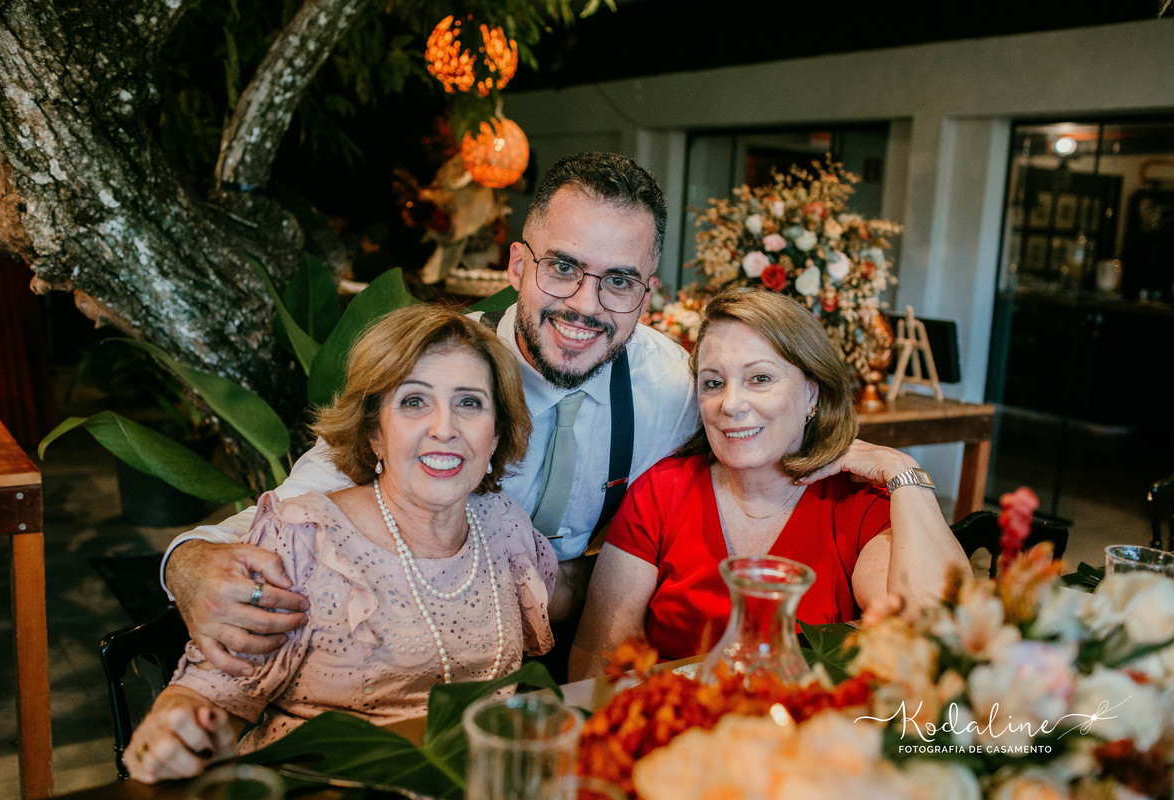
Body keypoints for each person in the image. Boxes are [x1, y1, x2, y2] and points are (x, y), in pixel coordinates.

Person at [160, 152, 699, 677]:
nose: (585, 304)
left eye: (619, 281)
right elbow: (305, 502)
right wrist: (189, 562)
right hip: (421, 654)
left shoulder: (673, 390)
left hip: (578, 648)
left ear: (647, 294)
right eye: (562, 267)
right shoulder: (432, 364)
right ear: (516, 265)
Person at [123, 305, 559, 782]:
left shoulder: (504, 527)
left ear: (495, 433)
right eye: (414, 401)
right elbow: (212, 692)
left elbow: (558, 599)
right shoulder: (305, 541)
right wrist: (176, 726)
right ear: (375, 432)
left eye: (470, 403)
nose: (445, 428)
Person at [569, 288, 972, 679]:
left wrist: (902, 471)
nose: (731, 404)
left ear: (812, 392)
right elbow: (600, 664)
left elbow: (936, 637)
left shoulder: (857, 501)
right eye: (713, 383)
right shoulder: (662, 491)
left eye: (759, 378)